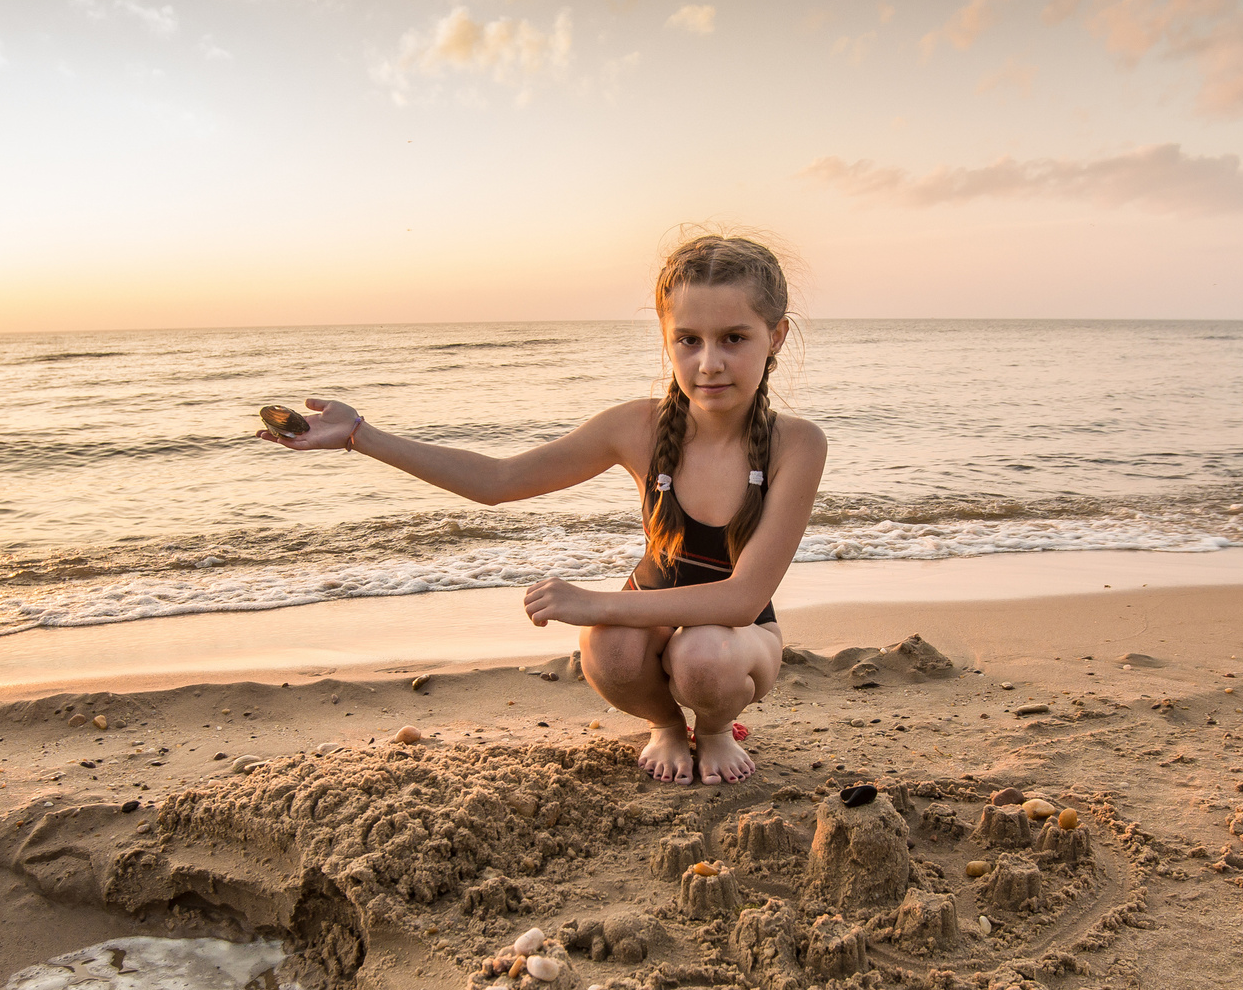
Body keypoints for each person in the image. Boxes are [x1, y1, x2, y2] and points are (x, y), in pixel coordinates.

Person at [258, 232, 826, 784]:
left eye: (734, 338)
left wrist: (594, 601)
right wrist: (359, 435)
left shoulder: (796, 444)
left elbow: (742, 598)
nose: (708, 363)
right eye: (689, 340)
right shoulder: (637, 427)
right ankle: (666, 725)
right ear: (665, 338)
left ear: (775, 336)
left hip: (739, 641)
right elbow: (498, 481)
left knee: (703, 655)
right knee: (606, 648)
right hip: (651, 620)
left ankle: (717, 728)